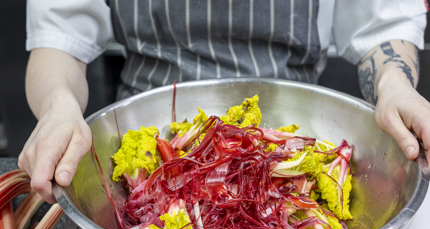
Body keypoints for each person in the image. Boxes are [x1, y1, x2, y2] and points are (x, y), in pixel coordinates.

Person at [21, 0, 429, 203]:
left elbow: (382, 27)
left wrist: (394, 86)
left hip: (290, 142)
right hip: (142, 156)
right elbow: (58, 43)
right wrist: (59, 103)